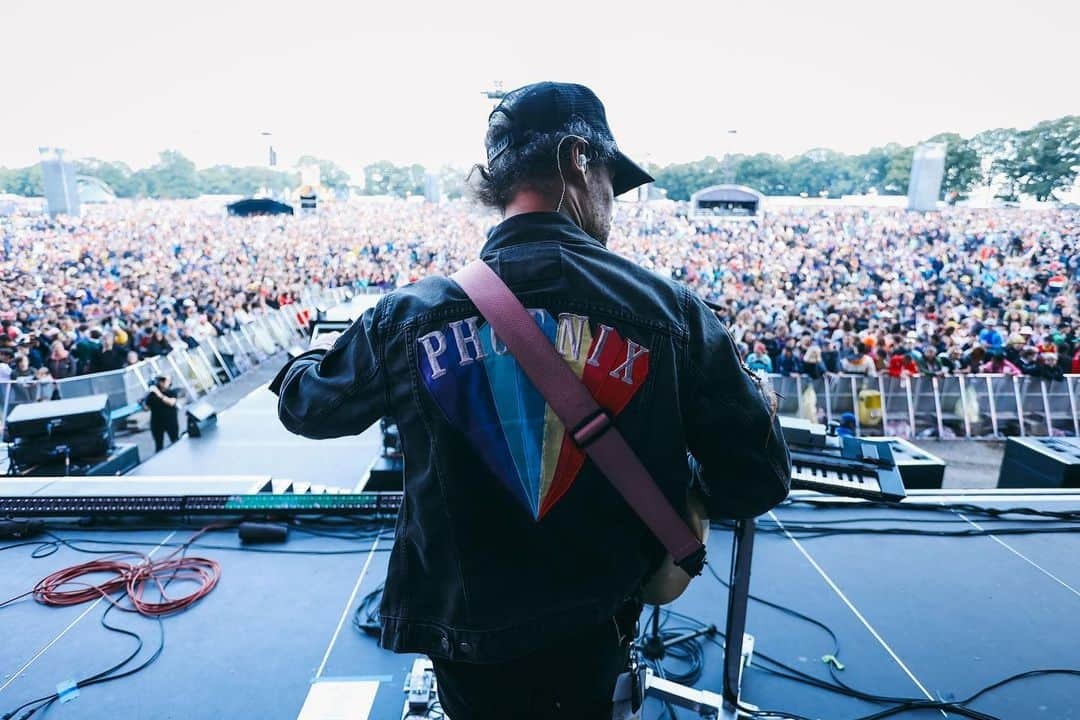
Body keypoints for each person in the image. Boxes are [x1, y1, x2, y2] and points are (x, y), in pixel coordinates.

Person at [272, 81, 791, 720]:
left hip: (467, 632)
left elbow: (307, 409)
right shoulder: (671, 312)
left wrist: (300, 356)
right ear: (578, 160)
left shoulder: (408, 315)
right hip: (600, 619)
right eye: (609, 177)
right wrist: (682, 493)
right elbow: (757, 478)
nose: (612, 201)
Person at [144, 375, 181, 451]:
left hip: (170, 421)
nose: (162, 382)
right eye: (161, 380)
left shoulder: (172, 392)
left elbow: (171, 402)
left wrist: (158, 394)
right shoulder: (152, 395)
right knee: (159, 445)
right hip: (157, 422)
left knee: (175, 440)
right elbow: (146, 408)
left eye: (165, 380)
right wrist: (146, 396)